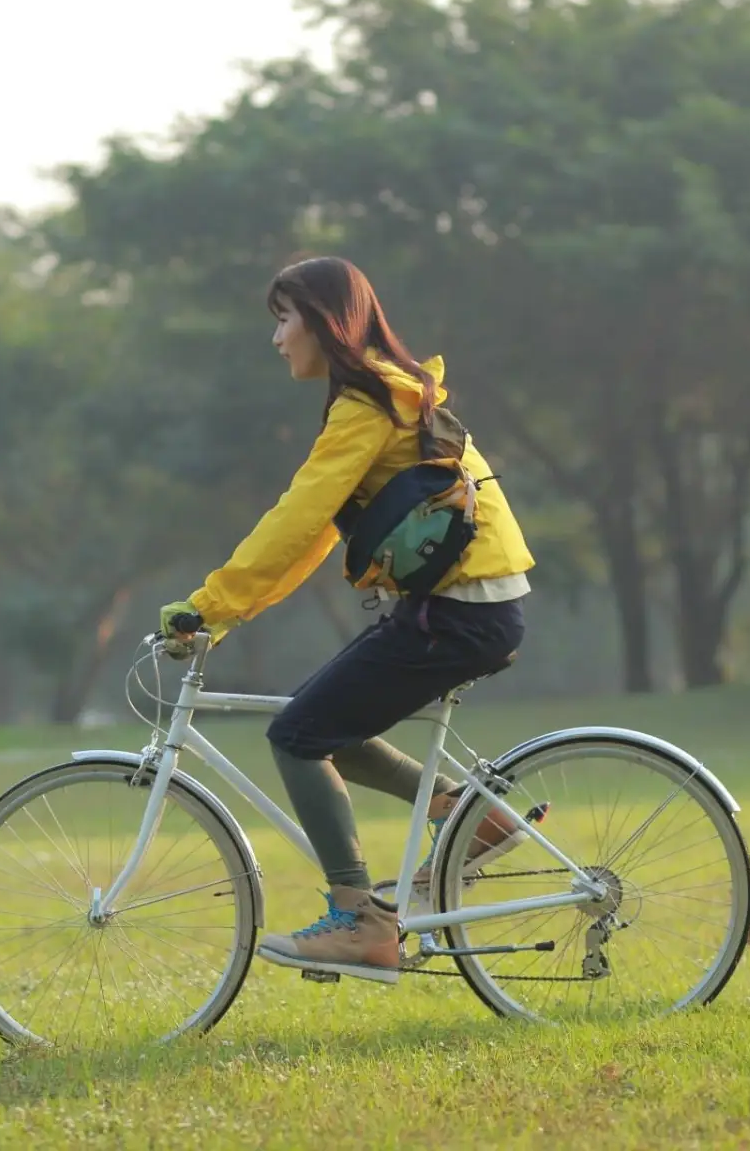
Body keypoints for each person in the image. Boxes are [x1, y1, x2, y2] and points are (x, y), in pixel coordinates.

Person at [157, 256, 537, 983]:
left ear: (326, 323)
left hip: (458, 613)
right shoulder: (384, 398)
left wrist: (206, 604)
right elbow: (315, 536)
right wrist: (225, 613)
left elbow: (295, 518)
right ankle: (473, 818)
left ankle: (360, 921)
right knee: (323, 723)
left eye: (284, 318)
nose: (276, 339)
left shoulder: (368, 407)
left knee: (297, 734)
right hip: (466, 609)